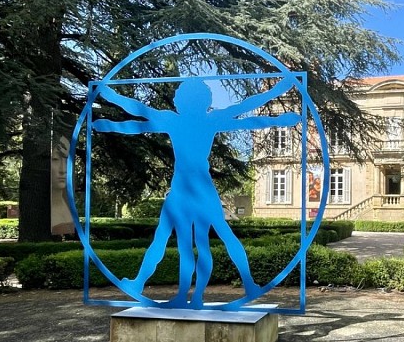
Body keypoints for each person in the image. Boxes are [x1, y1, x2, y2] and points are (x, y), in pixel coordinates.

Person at [93, 77, 299, 308]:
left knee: (174, 240)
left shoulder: (173, 120)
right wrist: (280, 104)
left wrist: (108, 110)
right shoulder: (210, 120)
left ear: (180, 101)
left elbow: (138, 117)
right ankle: (222, 290)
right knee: (211, 239)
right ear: (206, 101)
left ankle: (159, 288)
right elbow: (247, 113)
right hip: (200, 189)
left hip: (183, 190)